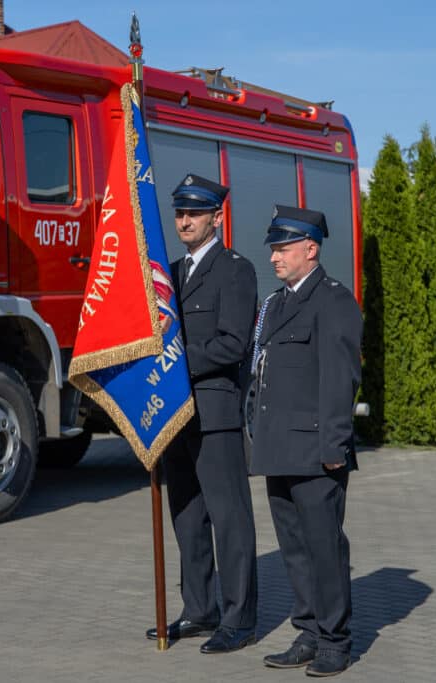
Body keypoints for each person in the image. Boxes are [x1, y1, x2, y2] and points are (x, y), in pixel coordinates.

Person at [145, 173, 259, 654]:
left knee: (230, 518)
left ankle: (239, 618)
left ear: (217, 216)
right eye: (180, 212)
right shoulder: (167, 273)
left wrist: (174, 357)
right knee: (188, 517)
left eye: (194, 212)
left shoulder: (236, 270)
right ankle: (200, 609)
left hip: (215, 411)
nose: (184, 220)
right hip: (176, 414)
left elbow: (233, 344)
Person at [249, 205, 362, 677]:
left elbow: (340, 379)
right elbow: (260, 371)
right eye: (273, 248)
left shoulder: (334, 301)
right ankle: (309, 631)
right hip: (278, 448)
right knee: (294, 548)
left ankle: (335, 640)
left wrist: (334, 446)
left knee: (324, 547)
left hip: (317, 452)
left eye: (284, 248)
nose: (275, 257)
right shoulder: (275, 304)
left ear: (311, 249)